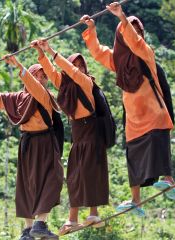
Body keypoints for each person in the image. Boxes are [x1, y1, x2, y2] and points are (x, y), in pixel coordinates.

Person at [80, 2, 175, 217]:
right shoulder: (118, 61)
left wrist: (123, 18)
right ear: (119, 36)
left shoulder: (146, 53)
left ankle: (168, 180)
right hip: (134, 119)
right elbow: (97, 52)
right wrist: (92, 29)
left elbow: (135, 43)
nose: (135, 34)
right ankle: (136, 201)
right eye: (129, 30)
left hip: (153, 112)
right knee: (133, 155)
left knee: (157, 141)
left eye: (138, 31)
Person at [0, 55, 63, 240]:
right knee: (27, 185)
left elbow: (36, 90)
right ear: (30, 76)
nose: (42, 79)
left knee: (53, 179)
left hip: (45, 141)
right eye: (37, 76)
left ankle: (40, 223)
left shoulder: (45, 95)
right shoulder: (18, 98)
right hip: (28, 143)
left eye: (44, 76)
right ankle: (28, 230)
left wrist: (20, 67)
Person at [31, 39, 109, 235]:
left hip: (91, 132)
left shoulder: (86, 82)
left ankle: (93, 213)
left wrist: (51, 50)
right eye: (76, 65)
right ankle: (73, 219)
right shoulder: (65, 87)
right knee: (74, 177)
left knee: (90, 173)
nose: (78, 69)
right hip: (78, 134)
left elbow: (70, 72)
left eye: (81, 65)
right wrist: (41, 54)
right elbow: (52, 72)